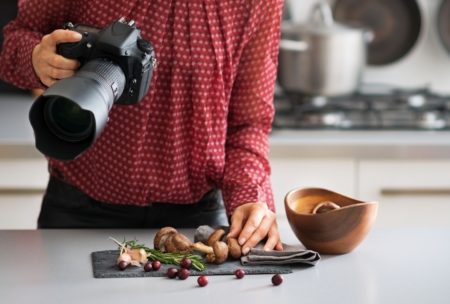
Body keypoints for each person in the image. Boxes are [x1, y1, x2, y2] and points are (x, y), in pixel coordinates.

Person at [0, 0, 284, 254]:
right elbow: (15, 39)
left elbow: (248, 122)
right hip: (78, 208)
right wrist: (36, 58)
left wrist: (251, 197)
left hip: (197, 222)